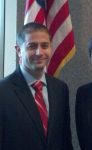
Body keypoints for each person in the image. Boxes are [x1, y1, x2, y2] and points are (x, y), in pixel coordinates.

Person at [0, 22, 73, 150]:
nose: (39, 52)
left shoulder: (60, 89)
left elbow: (65, 138)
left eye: (45, 46)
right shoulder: (3, 91)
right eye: (32, 46)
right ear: (19, 51)